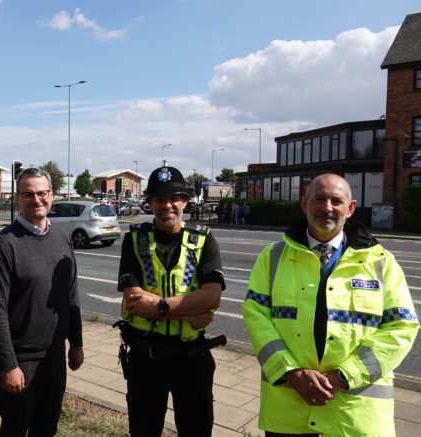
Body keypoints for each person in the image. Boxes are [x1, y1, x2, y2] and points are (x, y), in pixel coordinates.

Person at [242, 174, 419, 437]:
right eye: (319, 199)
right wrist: (292, 372)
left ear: (350, 208)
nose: (327, 207)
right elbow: (257, 316)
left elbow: (402, 327)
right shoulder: (273, 257)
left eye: (336, 201)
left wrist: (344, 376)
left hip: (356, 418)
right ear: (304, 204)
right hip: (290, 413)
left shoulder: (382, 262)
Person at [116, 166, 225, 436]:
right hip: (145, 359)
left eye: (174, 198)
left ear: (185, 201)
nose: (168, 205)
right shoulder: (133, 240)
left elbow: (212, 297)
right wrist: (189, 312)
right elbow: (134, 301)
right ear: (150, 203)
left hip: (192, 358)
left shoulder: (204, 241)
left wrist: (160, 306)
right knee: (143, 431)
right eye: (160, 199)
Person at [0, 167, 84, 436]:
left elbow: (71, 294)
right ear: (18, 198)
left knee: (47, 427)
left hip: (55, 357)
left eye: (42, 193)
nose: (36, 199)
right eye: (28, 194)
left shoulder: (62, 238)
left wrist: (76, 343)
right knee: (15, 428)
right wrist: (8, 365)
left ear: (51, 195)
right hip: (21, 359)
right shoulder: (4, 245)